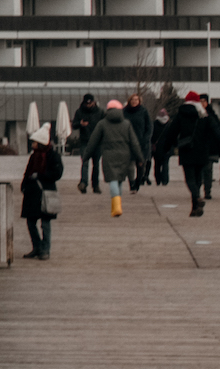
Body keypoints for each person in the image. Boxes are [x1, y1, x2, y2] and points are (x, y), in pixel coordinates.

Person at [69, 103, 143, 211]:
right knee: (120, 180)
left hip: (108, 155)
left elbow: (93, 142)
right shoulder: (127, 124)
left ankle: (116, 204)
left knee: (113, 179)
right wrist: (140, 157)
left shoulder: (102, 124)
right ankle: (117, 204)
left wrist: (86, 156)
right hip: (124, 155)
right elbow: (134, 142)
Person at [168, 93, 215, 217]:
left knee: (189, 179)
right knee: (198, 178)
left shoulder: (181, 114)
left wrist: (169, 146)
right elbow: (214, 129)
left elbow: (172, 131)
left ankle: (197, 199)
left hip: (187, 150)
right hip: (202, 152)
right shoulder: (204, 115)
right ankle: (195, 208)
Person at [23, 124, 64, 259]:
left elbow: (57, 173)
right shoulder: (34, 156)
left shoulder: (53, 156)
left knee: (45, 223)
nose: (32, 144)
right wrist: (24, 185)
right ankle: (37, 247)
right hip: (32, 193)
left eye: (34, 142)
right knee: (31, 222)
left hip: (45, 192)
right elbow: (27, 172)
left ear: (40, 143)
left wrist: (40, 175)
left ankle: (45, 249)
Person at [123, 92, 156, 189]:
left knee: (141, 164)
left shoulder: (144, 111)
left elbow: (149, 127)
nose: (134, 101)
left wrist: (146, 138)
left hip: (142, 142)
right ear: (129, 101)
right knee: (129, 164)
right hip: (128, 142)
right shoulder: (124, 111)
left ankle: (138, 182)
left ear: (139, 101)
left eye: (136, 100)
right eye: (132, 100)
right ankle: (132, 183)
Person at [73, 96, 104, 194]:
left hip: (97, 142)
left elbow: (105, 125)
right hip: (85, 141)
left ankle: (95, 185)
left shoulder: (100, 112)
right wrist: (80, 124)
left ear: (94, 102)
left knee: (96, 165)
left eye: (90, 103)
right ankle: (83, 183)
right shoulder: (79, 112)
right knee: (85, 162)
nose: (88, 105)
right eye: (87, 104)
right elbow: (74, 125)